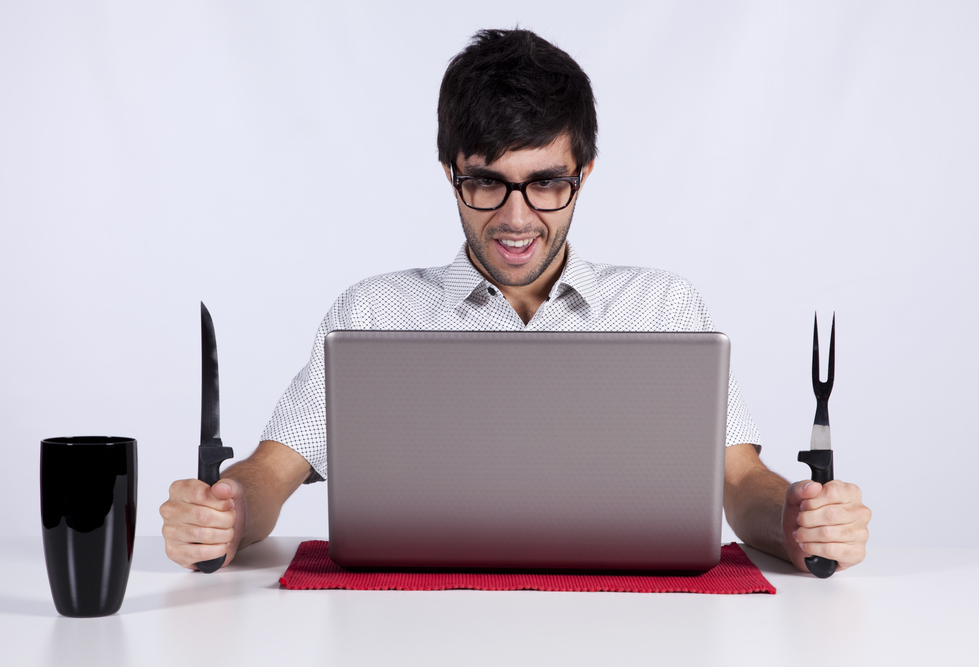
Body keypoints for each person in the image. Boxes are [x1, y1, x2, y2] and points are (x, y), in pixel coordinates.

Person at [161, 29, 870, 574]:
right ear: (450, 173)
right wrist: (229, 510)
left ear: (583, 174)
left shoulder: (665, 306)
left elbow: (740, 481)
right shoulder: (372, 314)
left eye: (547, 182)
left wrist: (795, 518)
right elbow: (270, 471)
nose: (516, 216)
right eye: (486, 182)